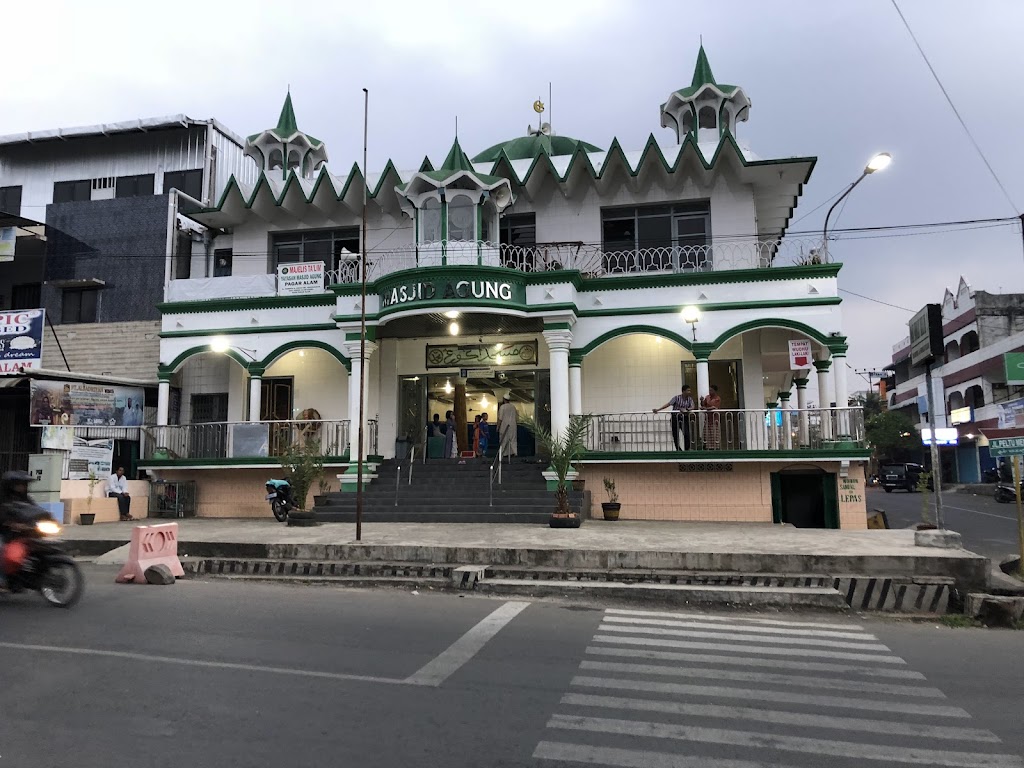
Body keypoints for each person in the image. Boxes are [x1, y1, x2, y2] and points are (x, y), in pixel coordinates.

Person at [0, 470, 37, 592]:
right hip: (4, 533)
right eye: (19, 484)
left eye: (24, 484)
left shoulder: (26, 499)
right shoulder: (3, 499)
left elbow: (36, 511)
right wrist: (11, 524)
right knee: (2, 550)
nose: (22, 487)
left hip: (20, 534)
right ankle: (2, 581)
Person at [653, 384, 695, 451]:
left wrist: (687, 409)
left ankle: (687, 448)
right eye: (688, 390)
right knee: (675, 434)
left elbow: (692, 406)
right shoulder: (676, 398)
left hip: (684, 417)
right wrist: (658, 409)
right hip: (675, 417)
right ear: (683, 391)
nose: (689, 392)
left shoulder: (689, 399)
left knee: (686, 433)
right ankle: (678, 449)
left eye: (689, 390)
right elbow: (668, 404)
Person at [701, 384, 723, 449]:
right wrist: (702, 400)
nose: (710, 392)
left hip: (714, 420)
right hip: (707, 419)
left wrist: (705, 408)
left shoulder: (717, 398)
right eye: (709, 390)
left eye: (711, 390)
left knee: (714, 434)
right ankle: (707, 447)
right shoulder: (707, 397)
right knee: (707, 434)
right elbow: (703, 404)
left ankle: (715, 448)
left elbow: (714, 407)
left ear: (715, 391)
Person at [497, 395, 518, 462]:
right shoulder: (513, 407)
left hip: (504, 426)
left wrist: (498, 427)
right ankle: (514, 453)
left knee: (503, 440)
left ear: (504, 399)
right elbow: (516, 417)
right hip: (513, 426)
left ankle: (503, 454)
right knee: (513, 440)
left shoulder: (502, 407)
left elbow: (500, 418)